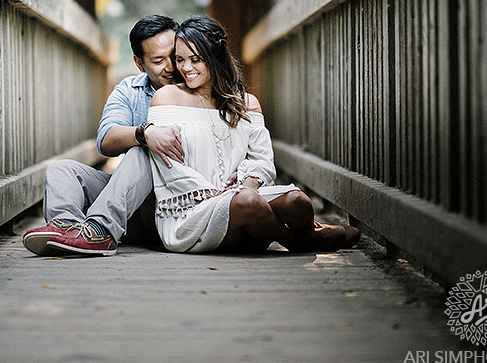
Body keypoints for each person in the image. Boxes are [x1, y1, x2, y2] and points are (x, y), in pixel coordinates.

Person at [147, 15, 360, 253]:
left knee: (296, 201)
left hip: (245, 205)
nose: (186, 68)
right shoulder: (167, 97)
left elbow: (262, 160)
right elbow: (167, 166)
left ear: (216, 57)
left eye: (195, 59)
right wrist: (223, 195)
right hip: (191, 217)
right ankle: (300, 240)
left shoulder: (247, 103)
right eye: (180, 60)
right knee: (247, 202)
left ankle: (303, 231)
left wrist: (247, 185)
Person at [22, 14, 184, 256]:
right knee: (61, 170)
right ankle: (68, 231)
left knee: (143, 152)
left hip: (174, 209)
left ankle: (100, 230)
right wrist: (144, 132)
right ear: (140, 63)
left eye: (174, 56)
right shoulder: (130, 90)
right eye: (158, 60)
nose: (171, 67)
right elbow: (106, 141)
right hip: (131, 209)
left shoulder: (199, 82)